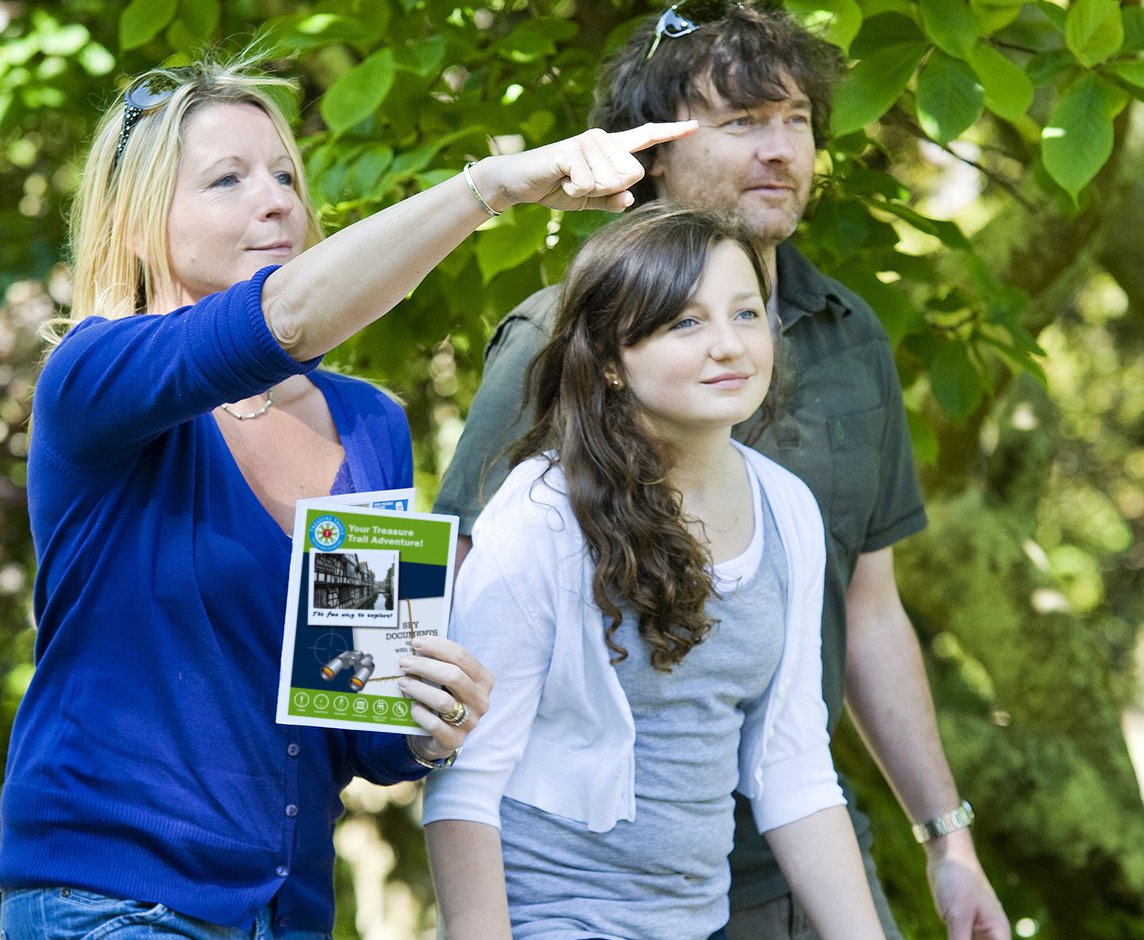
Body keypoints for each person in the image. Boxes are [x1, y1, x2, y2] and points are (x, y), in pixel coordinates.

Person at [0, 54, 692, 938]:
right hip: (114, 902)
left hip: (287, 913)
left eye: (285, 173)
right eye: (228, 180)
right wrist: (495, 187)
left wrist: (428, 718)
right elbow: (281, 321)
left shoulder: (366, 425)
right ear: (137, 223)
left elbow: (355, 712)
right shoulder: (95, 379)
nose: (277, 199)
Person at [430, 4, 1009, 938]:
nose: (779, 149)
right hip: (580, 862)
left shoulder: (848, 334)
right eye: (741, 122)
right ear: (651, 149)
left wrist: (947, 837)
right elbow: (465, 605)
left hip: (794, 824)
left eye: (797, 121)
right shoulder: (558, 337)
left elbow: (867, 607)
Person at [425, 205, 886, 940]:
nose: (730, 346)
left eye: (745, 313)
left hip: (699, 924)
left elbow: (793, 770)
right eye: (686, 323)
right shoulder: (544, 513)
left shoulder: (787, 507)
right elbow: (464, 781)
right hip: (552, 921)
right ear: (610, 358)